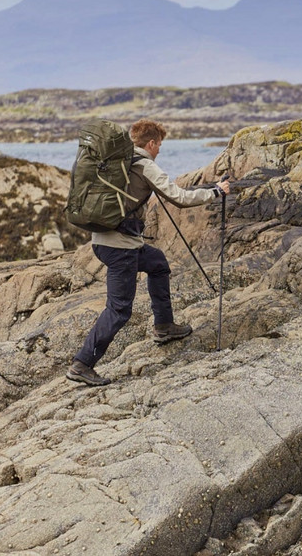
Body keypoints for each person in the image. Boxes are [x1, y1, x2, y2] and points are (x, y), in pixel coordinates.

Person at [67, 118, 230, 387]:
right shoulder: (144, 165)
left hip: (103, 240)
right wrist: (215, 192)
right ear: (152, 143)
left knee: (157, 263)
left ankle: (164, 327)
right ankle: (82, 364)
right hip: (120, 248)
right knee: (119, 310)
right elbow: (179, 197)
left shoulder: (117, 162)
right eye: (160, 145)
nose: (159, 150)